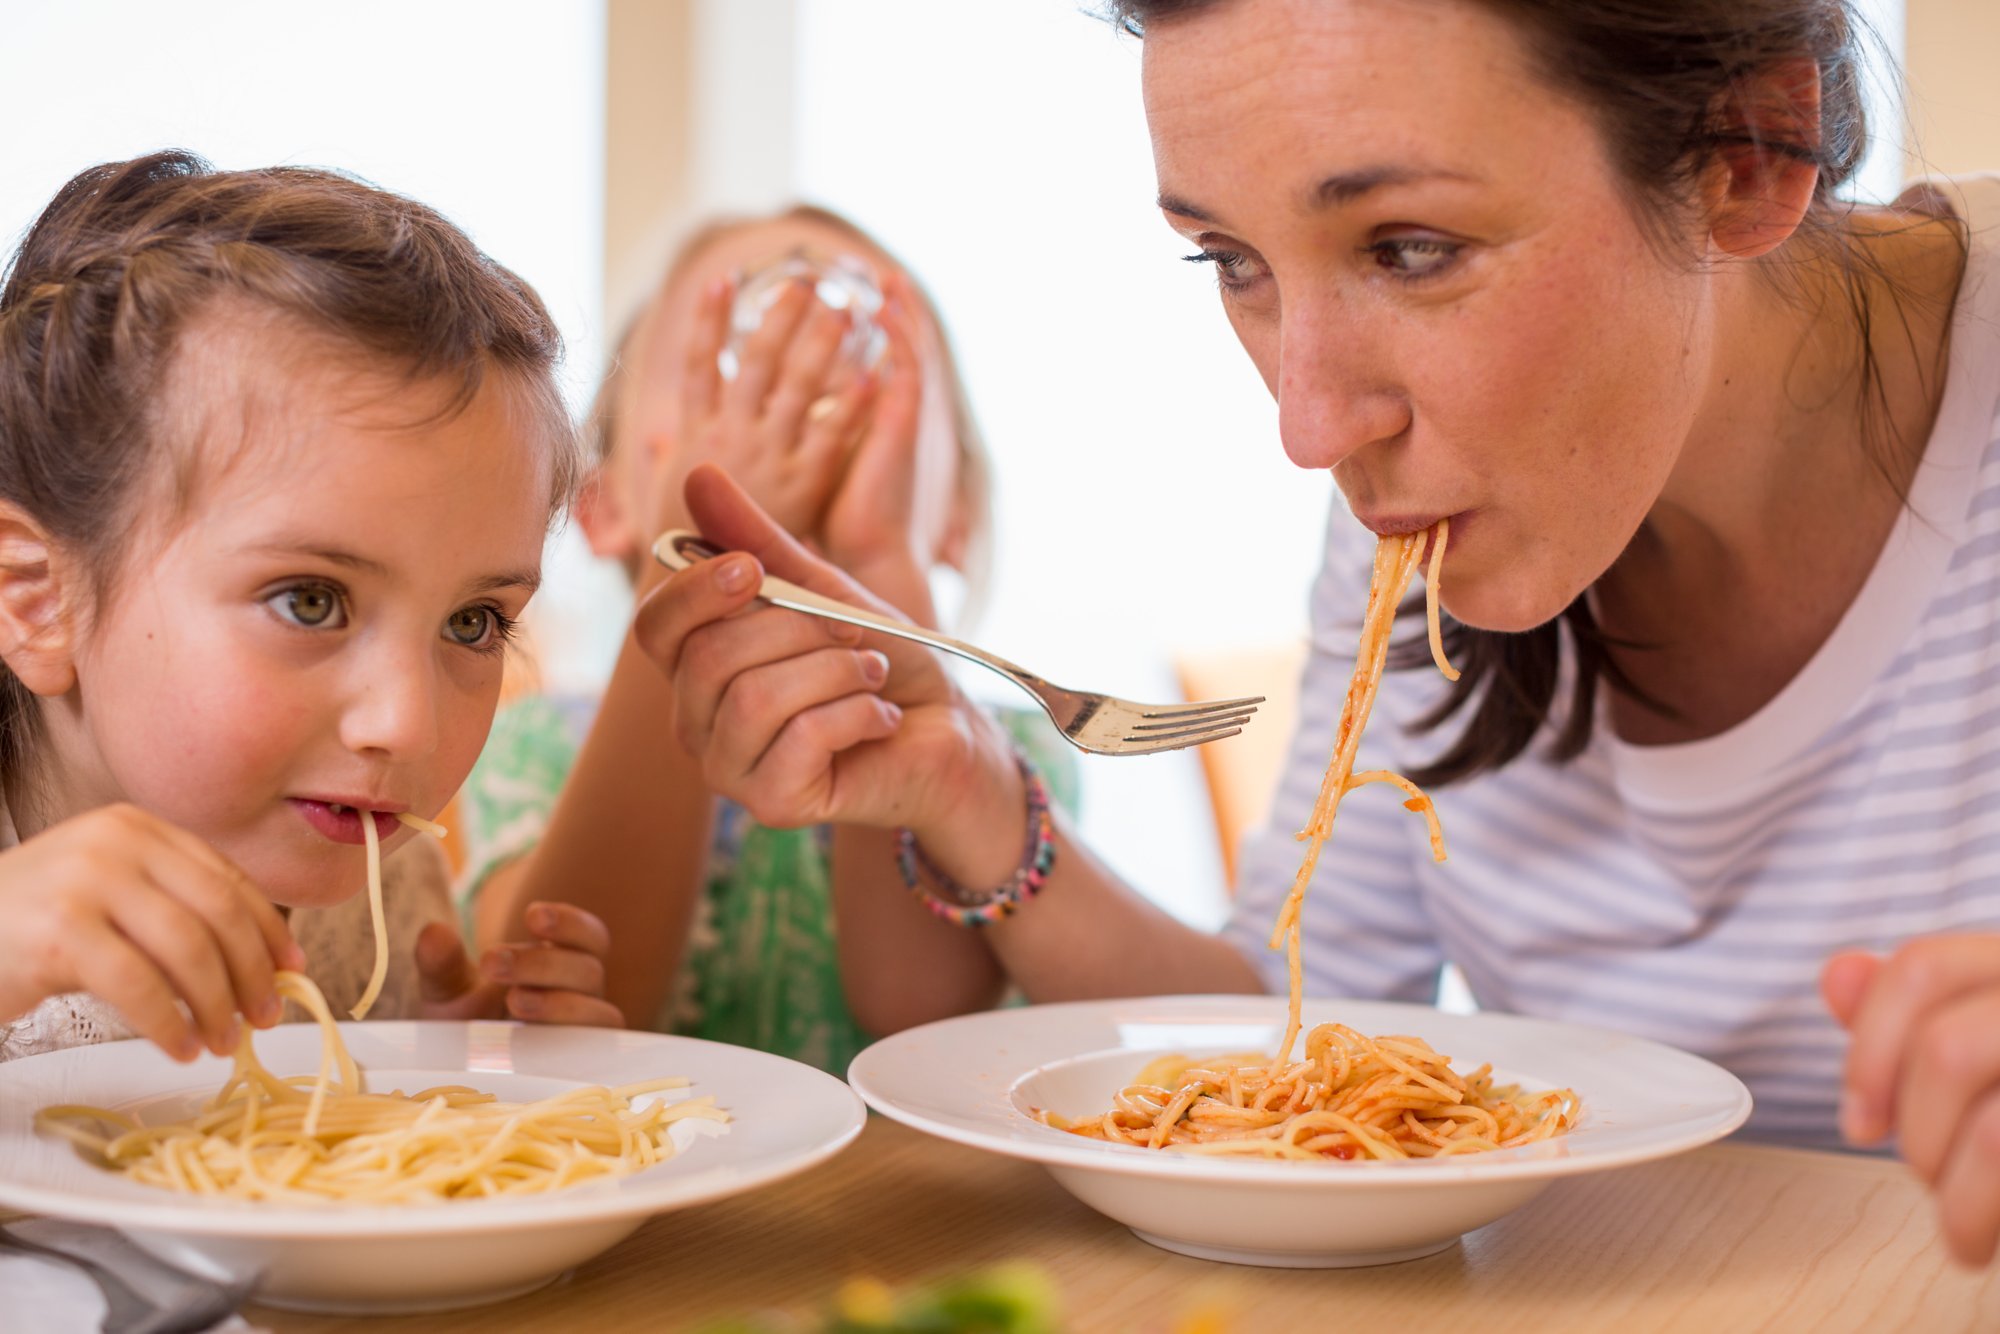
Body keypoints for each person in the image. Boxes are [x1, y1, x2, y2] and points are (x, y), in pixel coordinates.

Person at [636, 0, 2000, 1266]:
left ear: (1753, 152)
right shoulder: (1422, 515)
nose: (1308, 424)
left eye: (1412, 248)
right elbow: (1289, 1027)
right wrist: (974, 796)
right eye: (1232, 261)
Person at [0, 151, 619, 1063]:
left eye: (473, 622)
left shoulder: (376, 876)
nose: (405, 724)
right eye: (311, 601)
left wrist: (445, 1058)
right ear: (39, 602)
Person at [455, 206, 1074, 1073]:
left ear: (959, 522)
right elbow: (553, 1017)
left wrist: (877, 561)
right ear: (603, 508)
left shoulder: (1012, 761)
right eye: (724, 381)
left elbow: (917, 1012)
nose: (800, 405)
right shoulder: (535, 748)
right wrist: (689, 552)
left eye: (876, 380)